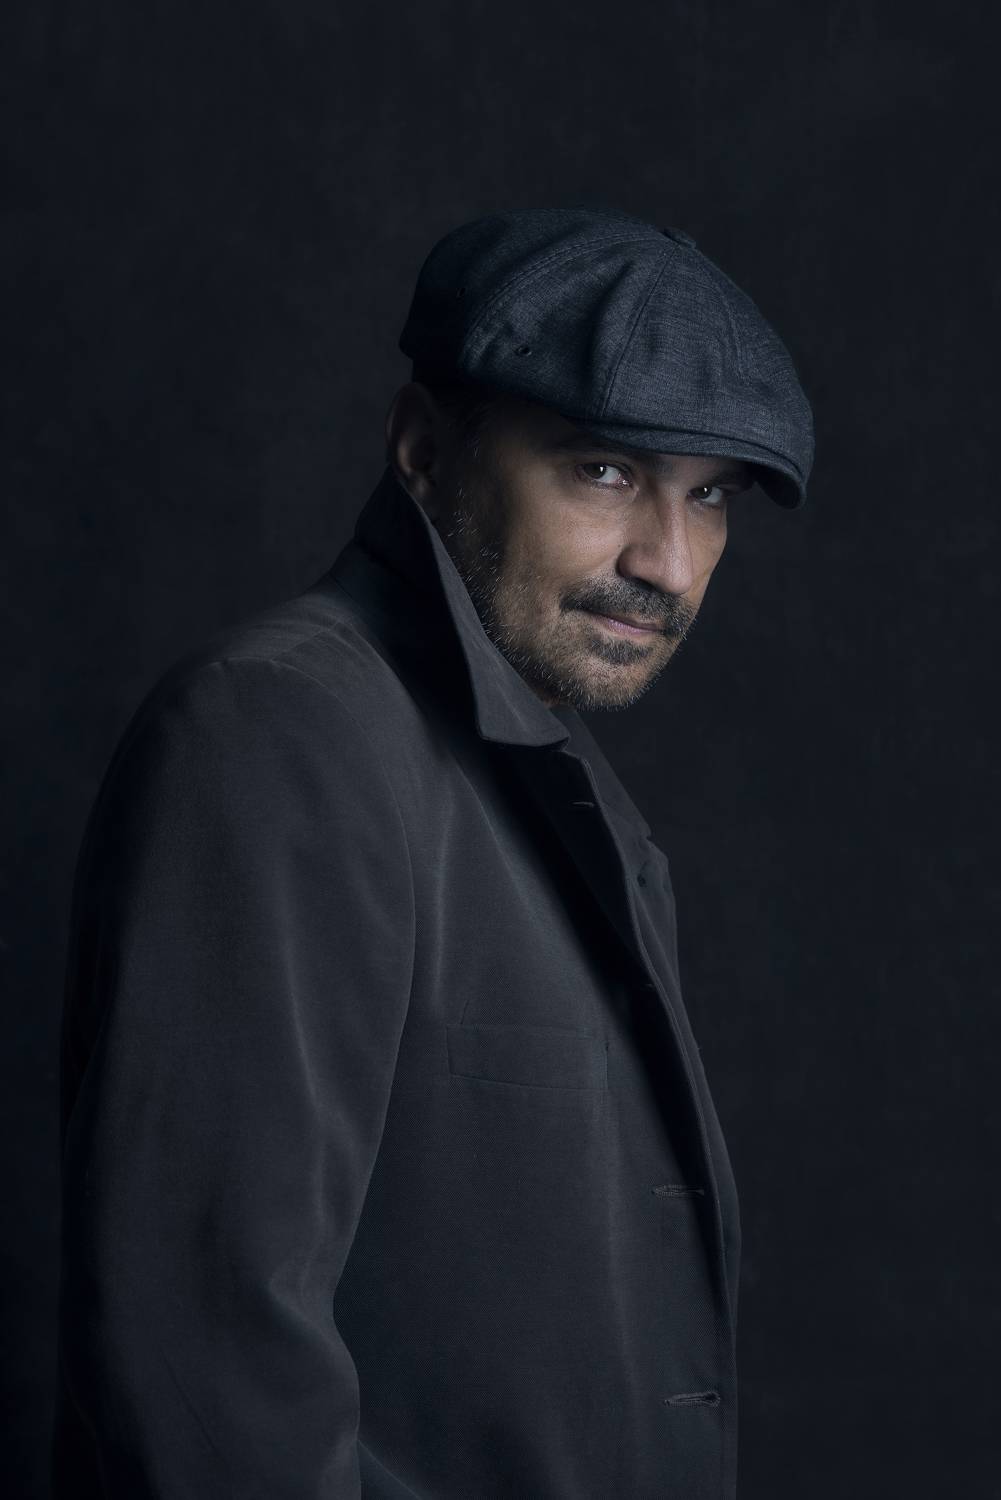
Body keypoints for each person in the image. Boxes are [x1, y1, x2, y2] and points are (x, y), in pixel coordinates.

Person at [53, 206, 815, 1499]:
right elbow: (210, 1365)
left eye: (709, 497)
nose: (668, 563)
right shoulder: (283, 731)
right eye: (603, 471)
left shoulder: (550, 783)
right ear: (421, 448)